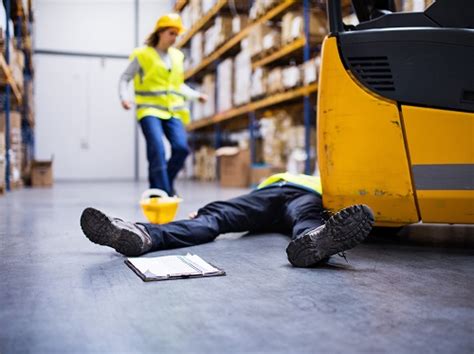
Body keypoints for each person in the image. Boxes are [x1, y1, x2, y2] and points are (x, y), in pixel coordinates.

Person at [80, 173, 375, 267]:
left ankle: (317, 242)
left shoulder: (327, 173)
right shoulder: (297, 176)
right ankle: (139, 235)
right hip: (279, 195)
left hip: (296, 196)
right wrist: (208, 209)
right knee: (215, 216)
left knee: (218, 218)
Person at [119, 13, 207, 196]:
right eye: (171, 33)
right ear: (160, 32)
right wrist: (124, 97)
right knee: (157, 149)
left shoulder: (177, 57)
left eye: (176, 34)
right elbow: (125, 78)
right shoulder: (142, 54)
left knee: (181, 149)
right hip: (149, 110)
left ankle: (161, 186)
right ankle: (164, 192)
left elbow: (177, 85)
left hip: (172, 110)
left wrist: (196, 95)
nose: (174, 38)